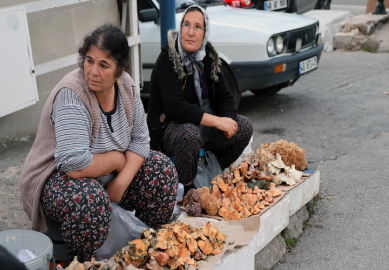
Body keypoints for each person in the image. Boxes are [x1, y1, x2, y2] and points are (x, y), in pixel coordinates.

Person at [19, 24, 178, 262]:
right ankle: (81, 263)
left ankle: (145, 254)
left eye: (104, 65)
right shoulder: (73, 92)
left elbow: (141, 140)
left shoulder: (126, 86)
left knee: (162, 170)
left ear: (119, 71)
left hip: (108, 178)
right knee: (90, 201)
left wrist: (121, 183)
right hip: (57, 178)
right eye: (89, 60)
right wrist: (116, 159)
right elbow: (73, 165)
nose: (93, 71)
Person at [147, 5, 253, 192]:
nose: (190, 32)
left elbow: (225, 97)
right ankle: (187, 190)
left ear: (205, 33)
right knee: (189, 134)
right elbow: (175, 108)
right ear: (180, 29)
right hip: (173, 130)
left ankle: (212, 173)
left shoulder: (209, 58)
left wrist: (228, 120)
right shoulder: (167, 60)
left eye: (198, 27)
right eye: (186, 25)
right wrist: (216, 121)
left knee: (243, 127)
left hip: (204, 128)